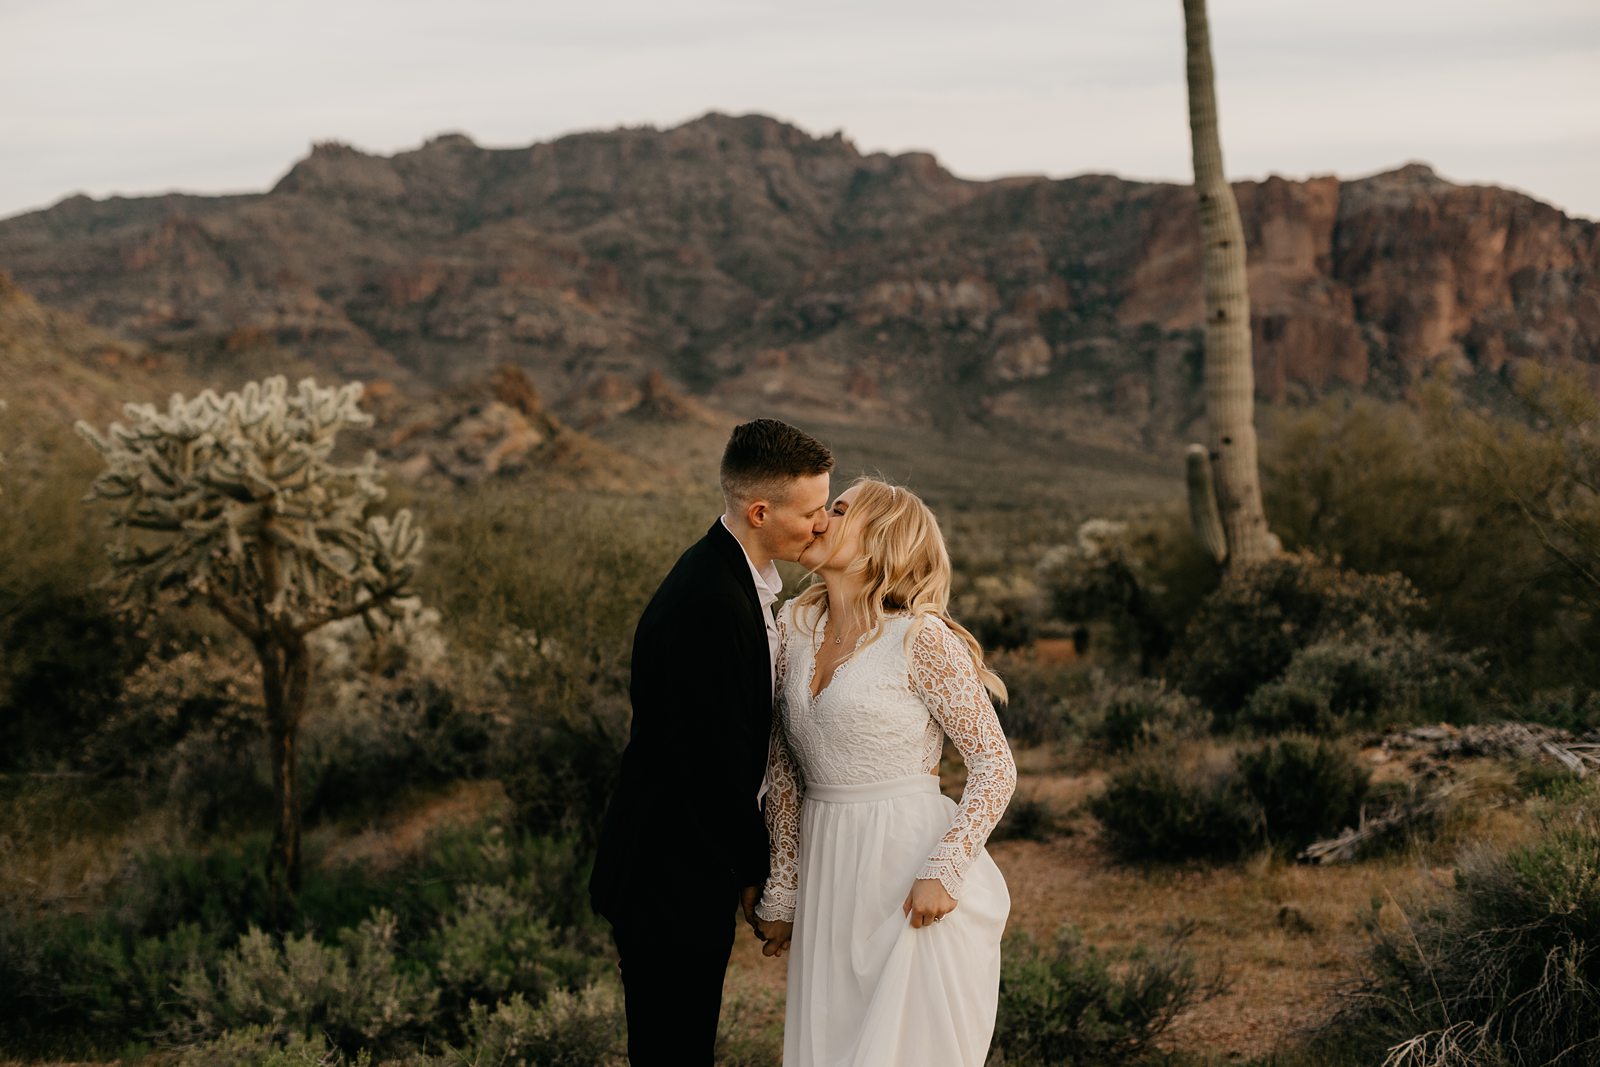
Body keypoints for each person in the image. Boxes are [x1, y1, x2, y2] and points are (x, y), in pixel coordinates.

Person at [589, 418, 833, 1065]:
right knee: (673, 1046)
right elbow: (713, 765)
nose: (821, 525)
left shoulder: (738, 583)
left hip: (688, 862)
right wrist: (758, 872)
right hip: (667, 872)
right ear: (760, 510)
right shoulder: (708, 601)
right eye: (811, 511)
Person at [753, 477, 1016, 1067]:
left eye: (838, 510)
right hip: (829, 872)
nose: (819, 518)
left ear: (881, 537)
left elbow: (994, 765)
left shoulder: (920, 639)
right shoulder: (794, 632)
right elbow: (785, 771)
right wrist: (785, 887)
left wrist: (946, 869)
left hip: (907, 872)